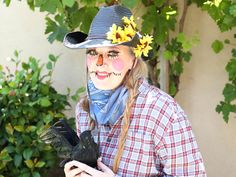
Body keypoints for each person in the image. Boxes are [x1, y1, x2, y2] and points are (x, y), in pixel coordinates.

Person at [63, 5, 206, 177]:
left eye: (113, 53)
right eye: (93, 52)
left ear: (133, 60)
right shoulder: (84, 109)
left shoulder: (162, 111)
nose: (99, 62)